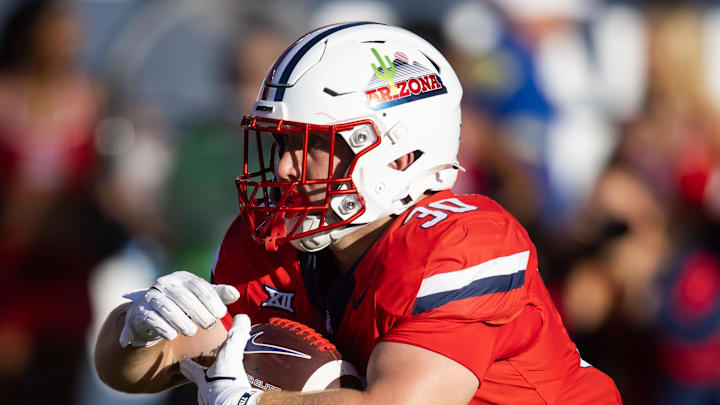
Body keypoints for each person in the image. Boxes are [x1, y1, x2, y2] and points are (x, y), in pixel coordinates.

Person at [94, 22, 622, 404]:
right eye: (279, 142)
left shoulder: (462, 243)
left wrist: (254, 402)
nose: (282, 168)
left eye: (313, 145)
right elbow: (133, 371)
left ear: (401, 153)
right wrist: (135, 330)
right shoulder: (273, 242)